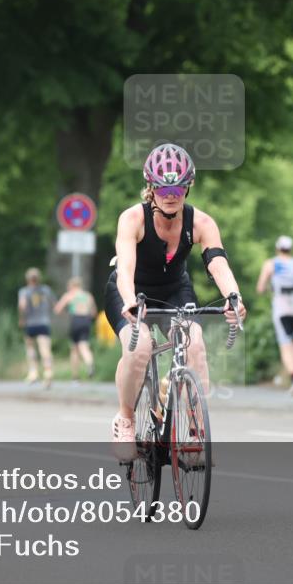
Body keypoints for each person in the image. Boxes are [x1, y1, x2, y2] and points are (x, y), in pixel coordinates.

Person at [105, 143, 246, 460]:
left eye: (178, 188)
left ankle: (194, 429)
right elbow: (125, 268)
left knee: (195, 345)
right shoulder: (133, 218)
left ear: (188, 186)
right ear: (151, 187)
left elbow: (217, 263)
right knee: (139, 348)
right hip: (131, 290)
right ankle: (125, 419)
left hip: (173, 290)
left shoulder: (201, 223)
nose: (171, 195)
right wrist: (129, 301)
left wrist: (233, 296)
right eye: (163, 188)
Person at [255, 235, 293, 395]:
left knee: (285, 343)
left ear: (277, 248)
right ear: (291, 249)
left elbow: (260, 287)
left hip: (281, 305)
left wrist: (269, 289)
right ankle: (292, 376)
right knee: (292, 342)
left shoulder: (271, 263)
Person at [54, 277, 97, 384]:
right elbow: (93, 313)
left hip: (75, 319)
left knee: (74, 349)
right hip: (86, 320)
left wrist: (66, 313)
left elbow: (57, 309)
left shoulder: (69, 295)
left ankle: (75, 377)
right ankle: (89, 363)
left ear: (72, 286)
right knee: (84, 346)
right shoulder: (88, 296)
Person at [18, 268, 55, 388]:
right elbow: (53, 305)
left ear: (27, 279)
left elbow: (22, 306)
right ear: (39, 278)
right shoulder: (46, 290)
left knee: (30, 348)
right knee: (45, 349)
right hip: (44, 322)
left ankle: (33, 372)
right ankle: (48, 372)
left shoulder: (24, 291)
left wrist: (21, 318)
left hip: (30, 323)